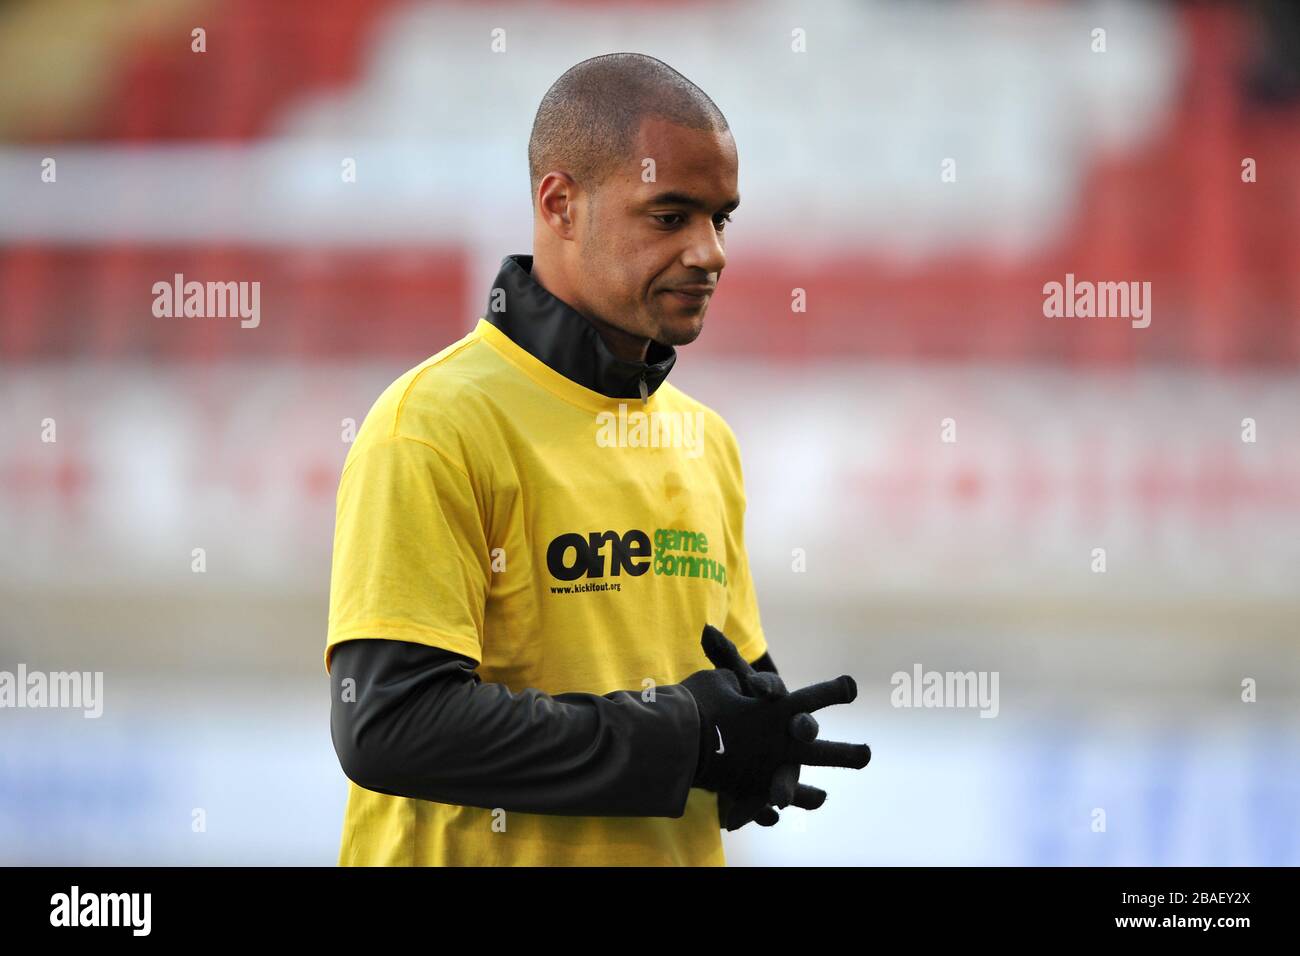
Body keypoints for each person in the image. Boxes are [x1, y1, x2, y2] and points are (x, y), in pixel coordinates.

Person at [325, 52, 870, 866]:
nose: (710, 252)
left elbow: (728, 698)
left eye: (721, 219)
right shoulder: (432, 424)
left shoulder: (704, 440)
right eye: (670, 215)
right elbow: (390, 727)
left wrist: (762, 745)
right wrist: (681, 740)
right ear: (560, 204)